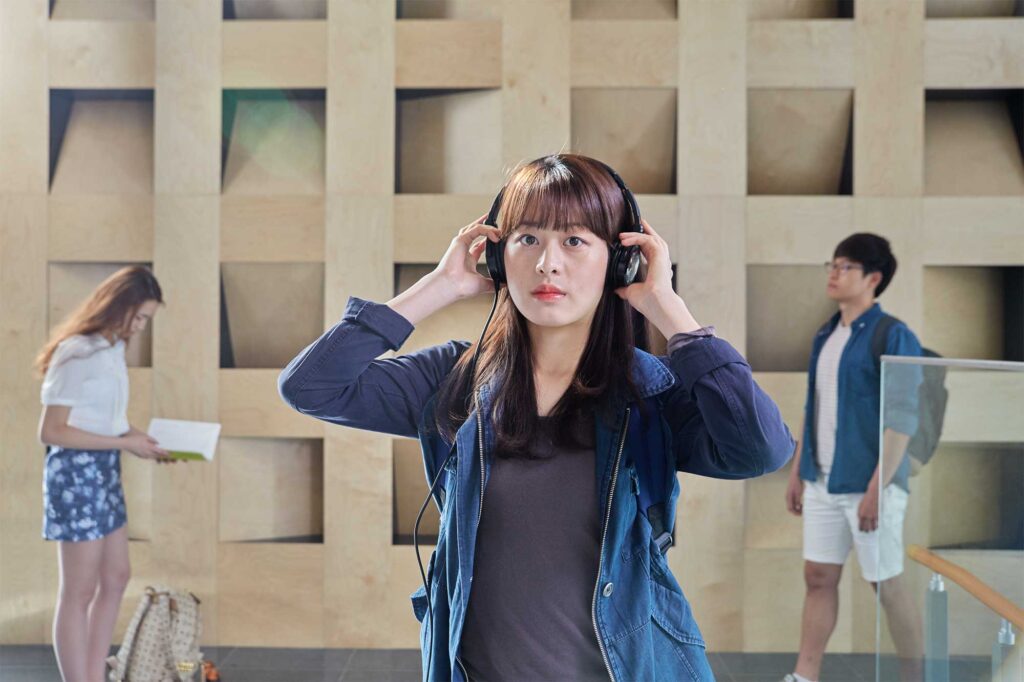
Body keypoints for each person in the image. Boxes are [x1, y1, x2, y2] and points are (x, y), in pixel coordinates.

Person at [280, 154, 794, 681]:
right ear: (498, 258)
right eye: (528, 239)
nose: (548, 263)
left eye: (575, 240)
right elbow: (312, 386)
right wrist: (440, 285)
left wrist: (667, 307)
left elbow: (761, 449)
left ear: (619, 261)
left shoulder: (652, 395)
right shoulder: (453, 379)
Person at [783, 234, 924, 682]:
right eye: (834, 264)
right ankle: (805, 676)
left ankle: (915, 674)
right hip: (822, 480)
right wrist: (798, 471)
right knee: (818, 578)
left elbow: (902, 419)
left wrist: (876, 489)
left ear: (874, 278)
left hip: (870, 485)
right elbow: (814, 406)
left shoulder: (893, 335)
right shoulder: (826, 334)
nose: (834, 273)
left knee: (887, 585)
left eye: (845, 267)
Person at [36, 265, 171, 682]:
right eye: (142, 318)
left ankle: (94, 673)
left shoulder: (111, 349)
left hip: (103, 469)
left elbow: (103, 420)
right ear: (122, 307)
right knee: (78, 590)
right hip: (75, 474)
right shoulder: (77, 352)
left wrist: (139, 439)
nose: (143, 327)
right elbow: (52, 430)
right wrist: (124, 443)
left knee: (116, 575)